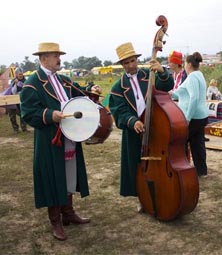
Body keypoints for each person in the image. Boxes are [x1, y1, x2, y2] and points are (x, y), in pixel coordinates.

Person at [19, 42, 102, 241]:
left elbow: (78, 92)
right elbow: (28, 113)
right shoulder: (32, 83)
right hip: (50, 139)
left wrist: (92, 89)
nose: (59, 58)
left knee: (69, 174)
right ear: (43, 58)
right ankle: (55, 219)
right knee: (53, 177)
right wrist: (49, 115)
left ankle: (68, 213)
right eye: (55, 55)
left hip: (70, 135)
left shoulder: (62, 80)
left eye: (58, 54)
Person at [109, 42, 174, 205]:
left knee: (158, 161)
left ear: (136, 59)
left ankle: (162, 190)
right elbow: (119, 111)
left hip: (156, 126)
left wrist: (162, 72)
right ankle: (142, 197)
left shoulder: (149, 74)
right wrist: (132, 121)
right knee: (137, 165)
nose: (131, 65)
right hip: (134, 133)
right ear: (122, 65)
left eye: (132, 61)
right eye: (126, 62)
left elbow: (167, 86)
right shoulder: (118, 87)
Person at [171, 52, 209, 177]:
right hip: (201, 115)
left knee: (180, 142)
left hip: (193, 116)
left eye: (185, 63)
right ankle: (201, 171)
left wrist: (187, 118)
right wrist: (171, 93)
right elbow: (183, 93)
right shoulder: (199, 75)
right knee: (197, 144)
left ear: (189, 64)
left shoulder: (192, 77)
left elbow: (194, 98)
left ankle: (181, 168)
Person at [7, 67, 28, 133]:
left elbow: (25, 86)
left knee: (23, 114)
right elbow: (12, 91)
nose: (21, 75)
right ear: (16, 75)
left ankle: (24, 128)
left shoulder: (26, 80)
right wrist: (15, 84)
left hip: (22, 100)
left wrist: (18, 83)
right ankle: (15, 129)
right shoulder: (13, 81)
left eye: (21, 74)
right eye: (19, 74)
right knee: (12, 115)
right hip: (13, 100)